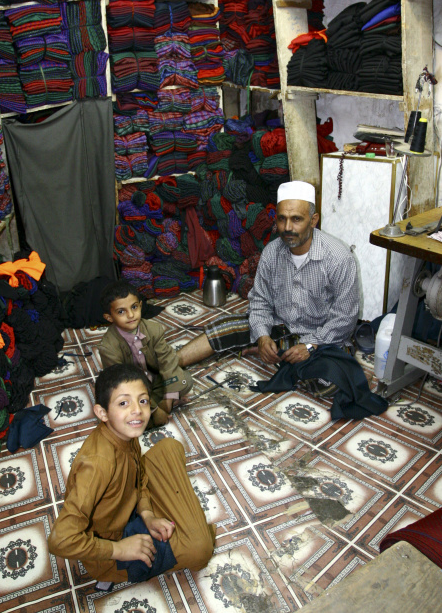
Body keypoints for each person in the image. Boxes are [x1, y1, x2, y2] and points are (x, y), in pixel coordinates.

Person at [178, 180, 360, 396]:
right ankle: (170, 363)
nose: (287, 228)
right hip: (280, 326)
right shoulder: (272, 252)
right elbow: (261, 301)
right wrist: (263, 336)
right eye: (282, 219)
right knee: (227, 326)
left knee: (329, 382)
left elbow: (345, 318)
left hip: (323, 338)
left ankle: (280, 353)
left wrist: (311, 346)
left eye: (296, 219)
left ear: (313, 220)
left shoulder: (339, 258)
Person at [48, 363, 215, 585]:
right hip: (114, 550)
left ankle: (160, 513)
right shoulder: (98, 466)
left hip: (130, 509)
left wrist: (147, 514)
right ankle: (178, 525)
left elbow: (139, 475)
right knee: (200, 550)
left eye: (142, 400)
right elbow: (60, 540)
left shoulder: (125, 433)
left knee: (169, 447)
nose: (137, 410)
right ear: (102, 412)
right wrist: (119, 549)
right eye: (123, 403)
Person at [98, 281, 192, 426]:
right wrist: (154, 410)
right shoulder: (108, 347)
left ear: (140, 306)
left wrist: (168, 399)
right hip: (132, 391)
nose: (130, 315)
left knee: (184, 380)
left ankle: (165, 403)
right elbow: (122, 385)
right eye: (121, 311)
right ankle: (153, 411)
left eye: (134, 307)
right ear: (109, 317)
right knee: (121, 419)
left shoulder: (154, 329)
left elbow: (168, 363)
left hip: (156, 382)